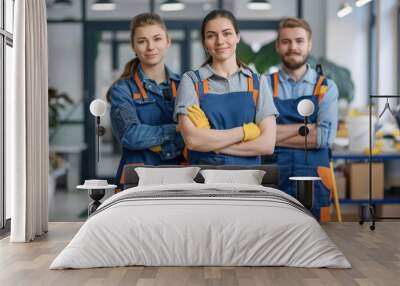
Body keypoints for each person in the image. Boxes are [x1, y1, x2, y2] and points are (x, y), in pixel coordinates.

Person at [174, 9, 278, 165]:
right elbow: (193, 141)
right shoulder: (191, 81)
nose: (220, 41)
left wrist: (211, 142)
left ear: (237, 37)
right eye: (211, 35)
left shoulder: (258, 82)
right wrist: (245, 132)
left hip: (248, 180)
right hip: (203, 180)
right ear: (204, 43)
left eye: (227, 33)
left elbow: (267, 144)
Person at [267, 17, 338, 221]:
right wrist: (308, 129)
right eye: (286, 41)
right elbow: (259, 135)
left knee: (318, 239)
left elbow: (323, 138)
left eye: (299, 41)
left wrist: (274, 135)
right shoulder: (263, 84)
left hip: (315, 180)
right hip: (274, 178)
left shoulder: (326, 87)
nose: (293, 47)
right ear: (278, 46)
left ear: (309, 44)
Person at [108, 13, 184, 188]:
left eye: (157, 39)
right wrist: (178, 129)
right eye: (142, 41)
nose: (151, 47)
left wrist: (154, 142)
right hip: (136, 181)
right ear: (133, 46)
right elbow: (130, 136)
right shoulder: (122, 89)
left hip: (178, 178)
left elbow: (195, 133)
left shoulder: (184, 86)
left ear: (168, 41)